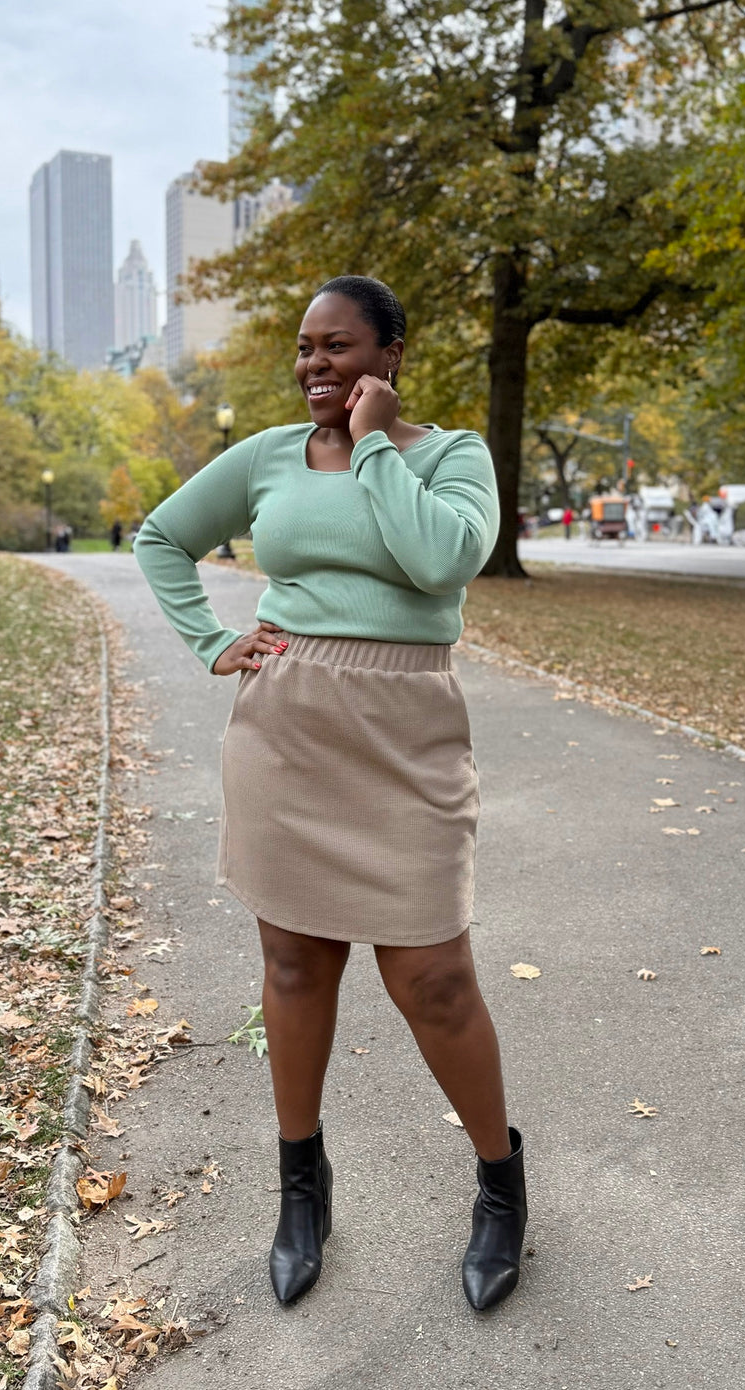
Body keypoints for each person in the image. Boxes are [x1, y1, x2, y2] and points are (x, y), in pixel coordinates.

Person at [134, 275, 525, 1312]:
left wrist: (380, 444)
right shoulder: (265, 456)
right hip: (287, 731)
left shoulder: (450, 457)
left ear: (390, 354)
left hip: (407, 738)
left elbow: (443, 556)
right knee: (296, 966)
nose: (314, 364)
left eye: (337, 346)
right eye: (305, 349)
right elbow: (159, 537)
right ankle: (301, 1183)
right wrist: (215, 641)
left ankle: (499, 1182)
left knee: (434, 976)